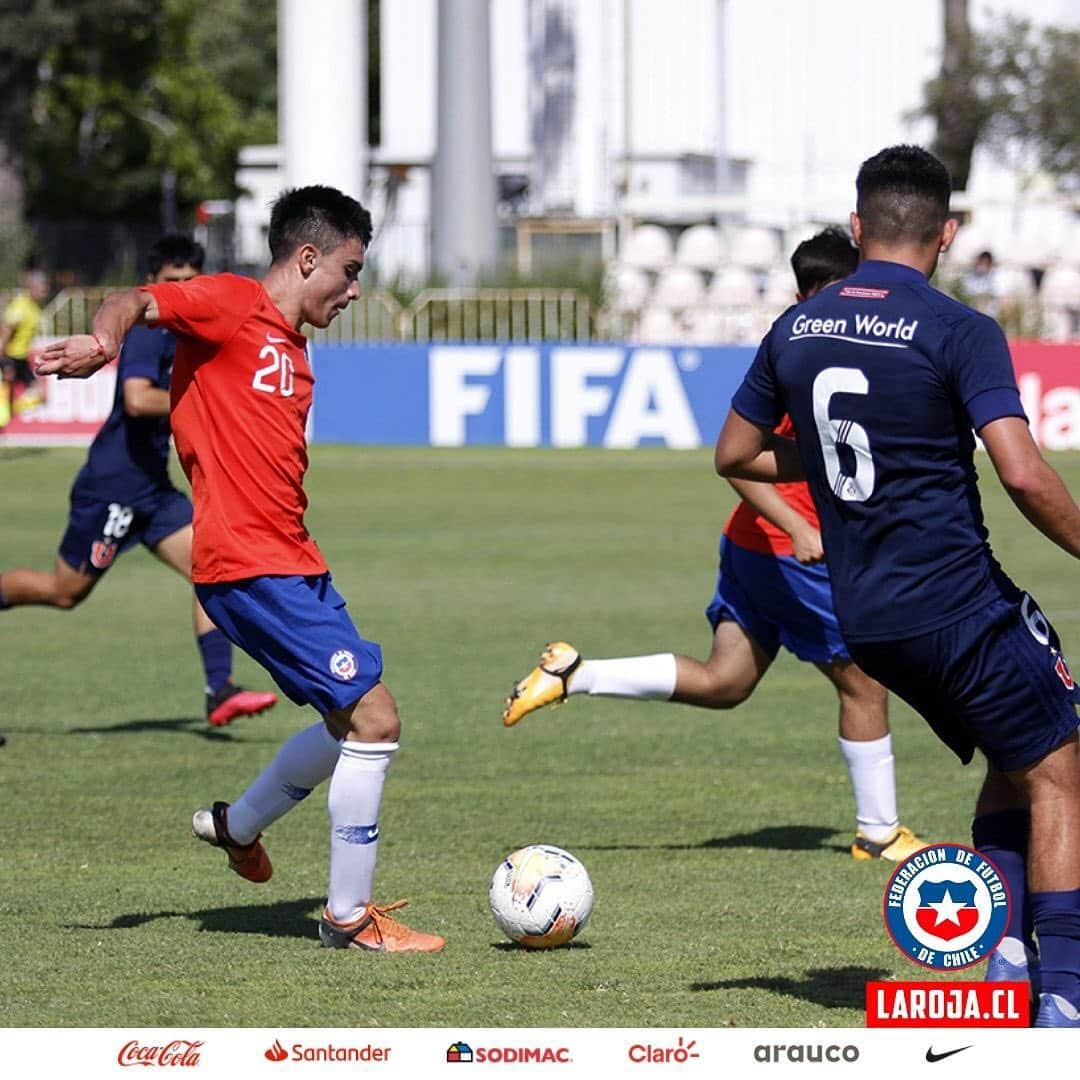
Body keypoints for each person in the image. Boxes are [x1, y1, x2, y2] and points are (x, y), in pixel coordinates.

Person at [713, 145, 1080, 1027]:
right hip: (955, 605)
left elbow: (734, 452)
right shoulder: (959, 327)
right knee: (1065, 768)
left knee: (1014, 759)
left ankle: (1008, 962)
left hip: (866, 618)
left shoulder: (798, 326)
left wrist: (846, 469)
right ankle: (1064, 999)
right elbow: (1025, 475)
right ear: (947, 234)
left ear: (856, 227)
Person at [37, 186, 445, 954]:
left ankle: (237, 825)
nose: (355, 291)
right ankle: (348, 919)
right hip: (248, 568)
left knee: (342, 722)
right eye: (350, 271)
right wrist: (102, 341)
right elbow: (134, 300)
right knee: (376, 719)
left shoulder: (293, 345)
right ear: (309, 256)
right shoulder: (229, 303)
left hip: (294, 562)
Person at [504, 227, 927, 862]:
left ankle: (575, 675)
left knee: (726, 681)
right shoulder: (804, 352)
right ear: (824, 289)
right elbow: (735, 462)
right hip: (790, 553)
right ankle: (880, 832)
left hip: (753, 551)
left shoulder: (810, 340)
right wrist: (799, 525)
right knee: (864, 684)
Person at [1, 236, 278, 729]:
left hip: (153, 489)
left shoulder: (187, 332)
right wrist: (212, 406)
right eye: (173, 281)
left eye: (192, 279)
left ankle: (220, 689)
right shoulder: (152, 331)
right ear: (153, 284)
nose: (184, 288)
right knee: (64, 592)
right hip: (113, 490)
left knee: (214, 566)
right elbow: (136, 399)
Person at [0, 268, 50, 425]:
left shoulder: (35, 309)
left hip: (22, 359)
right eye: (41, 286)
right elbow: (6, 330)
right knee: (6, 390)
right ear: (31, 287)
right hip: (9, 356)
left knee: (42, 396)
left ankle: (10, 411)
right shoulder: (20, 306)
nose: (45, 290)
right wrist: (3, 359)